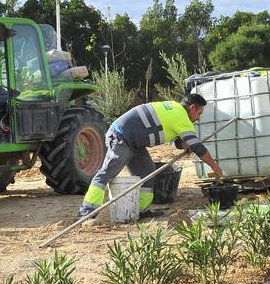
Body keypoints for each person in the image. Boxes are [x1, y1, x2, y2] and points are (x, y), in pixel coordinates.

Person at [76, 94, 225, 220]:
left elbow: (171, 137)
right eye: (199, 113)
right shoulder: (181, 118)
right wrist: (214, 166)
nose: (198, 118)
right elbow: (198, 147)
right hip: (121, 137)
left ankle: (142, 210)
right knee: (108, 173)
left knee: (147, 171)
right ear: (192, 108)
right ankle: (87, 212)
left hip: (135, 142)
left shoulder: (173, 108)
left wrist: (183, 145)